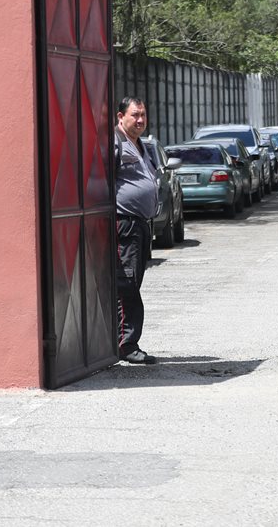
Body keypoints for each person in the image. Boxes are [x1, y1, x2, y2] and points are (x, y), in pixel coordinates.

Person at [114, 96, 159, 364]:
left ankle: (123, 342)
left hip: (140, 225)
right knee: (127, 284)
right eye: (135, 115)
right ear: (121, 117)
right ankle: (126, 344)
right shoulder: (116, 143)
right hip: (126, 224)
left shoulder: (140, 145)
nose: (140, 120)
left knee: (134, 281)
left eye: (143, 115)